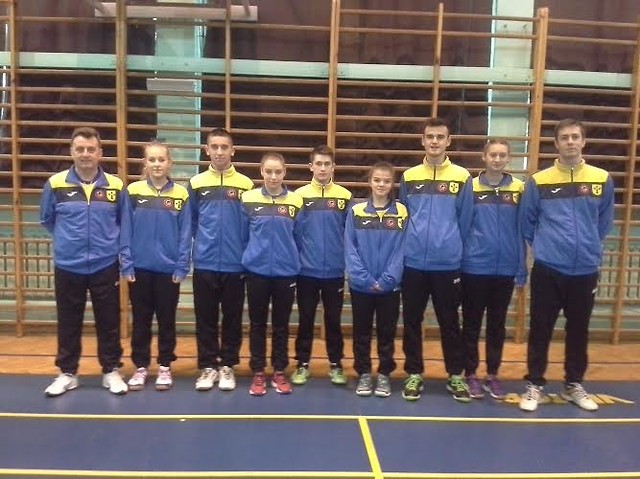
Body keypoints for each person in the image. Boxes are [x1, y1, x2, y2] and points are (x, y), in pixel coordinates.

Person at [519, 118, 614, 412]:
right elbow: (527, 222)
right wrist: (547, 247)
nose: (570, 142)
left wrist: (587, 246)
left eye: (575, 137)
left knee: (578, 330)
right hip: (548, 268)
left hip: (585, 269)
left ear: (583, 141)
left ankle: (574, 384)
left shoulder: (601, 179)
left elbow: (603, 222)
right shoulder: (539, 181)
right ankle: (534, 384)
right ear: (556, 143)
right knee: (540, 328)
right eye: (565, 137)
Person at [40, 126, 129, 396]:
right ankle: (67, 373)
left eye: (91, 149)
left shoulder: (116, 186)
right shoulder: (55, 184)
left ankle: (111, 370)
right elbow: (48, 219)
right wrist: (69, 243)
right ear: (72, 152)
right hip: (68, 266)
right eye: (80, 149)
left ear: (100, 153)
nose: (86, 154)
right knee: (68, 321)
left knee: (109, 321)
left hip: (105, 265)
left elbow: (123, 222)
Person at [399, 117, 474, 402]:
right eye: (430, 136)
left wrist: (449, 245)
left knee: (449, 322)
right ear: (422, 140)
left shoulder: (462, 177)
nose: (434, 141)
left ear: (448, 141)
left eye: (440, 137)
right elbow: (404, 216)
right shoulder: (409, 176)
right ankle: (414, 373)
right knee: (412, 321)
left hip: (447, 263)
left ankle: (455, 375)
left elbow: (465, 220)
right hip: (413, 263)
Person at [121, 141, 192, 391]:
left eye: (161, 159)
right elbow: (125, 229)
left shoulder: (181, 194)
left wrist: (181, 266)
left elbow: (185, 233)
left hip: (168, 271)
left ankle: (164, 366)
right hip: (139, 269)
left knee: (166, 320)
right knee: (141, 321)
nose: (157, 164)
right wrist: (126, 263)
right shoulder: (133, 191)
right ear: (145, 163)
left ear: (169, 162)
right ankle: (140, 367)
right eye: (152, 159)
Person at [188, 128, 253, 392]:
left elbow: (250, 225)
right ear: (207, 150)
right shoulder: (196, 183)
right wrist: (203, 245)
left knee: (232, 318)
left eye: (224, 147)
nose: (219, 151)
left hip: (235, 264)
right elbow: (192, 221)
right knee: (205, 318)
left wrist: (243, 254)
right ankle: (207, 366)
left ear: (232, 150)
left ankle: (227, 365)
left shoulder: (246, 185)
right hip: (204, 262)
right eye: (214, 147)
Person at [461, 139, 526, 400]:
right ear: (484, 157)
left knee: (497, 326)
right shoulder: (470, 187)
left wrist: (521, 267)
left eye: (502, 155)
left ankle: (492, 375)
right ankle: (470, 374)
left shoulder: (519, 188)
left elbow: (522, 230)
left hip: (506, 269)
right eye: (493, 155)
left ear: (509, 158)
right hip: (474, 267)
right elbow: (463, 225)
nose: (497, 159)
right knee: (471, 324)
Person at [241, 152, 303, 396]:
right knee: (257, 324)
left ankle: (279, 371)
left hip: (285, 273)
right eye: (269, 171)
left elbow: (299, 237)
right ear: (261, 172)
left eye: (278, 172)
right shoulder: (248, 199)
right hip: (256, 272)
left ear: (284, 172)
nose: (273, 176)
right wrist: (250, 258)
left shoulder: (296, 201)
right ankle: (258, 371)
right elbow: (243, 235)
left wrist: (292, 261)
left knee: (281, 325)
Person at [344, 162, 407, 397]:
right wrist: (364, 278)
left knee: (386, 332)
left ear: (392, 184)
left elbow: (403, 249)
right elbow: (350, 248)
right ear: (370, 181)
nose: (381, 184)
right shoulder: (356, 211)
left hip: (390, 287)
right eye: (377, 180)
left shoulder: (402, 213)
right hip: (361, 286)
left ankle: (383, 374)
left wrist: (389, 279)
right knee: (361, 332)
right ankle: (363, 373)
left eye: (386, 181)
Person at [291, 145, 352, 386]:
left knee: (333, 320)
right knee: (305, 319)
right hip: (306, 271)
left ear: (333, 167)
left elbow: (349, 234)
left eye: (327, 164)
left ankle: (336, 364)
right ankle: (302, 363)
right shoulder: (299, 196)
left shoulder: (345, 196)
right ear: (311, 167)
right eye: (319, 164)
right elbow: (294, 233)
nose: (323, 168)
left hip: (334, 271)